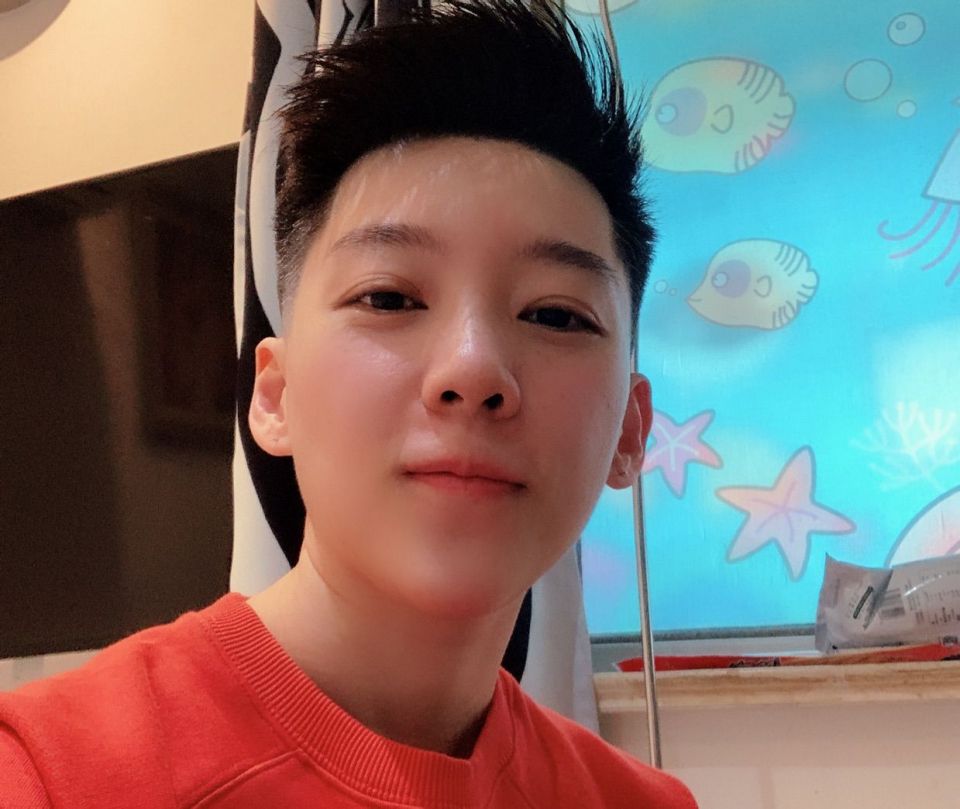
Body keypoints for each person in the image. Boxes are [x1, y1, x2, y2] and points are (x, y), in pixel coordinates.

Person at [0, 1, 698, 806]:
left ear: (630, 431)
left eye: (554, 314)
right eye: (390, 298)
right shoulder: (49, 775)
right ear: (274, 394)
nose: (473, 369)